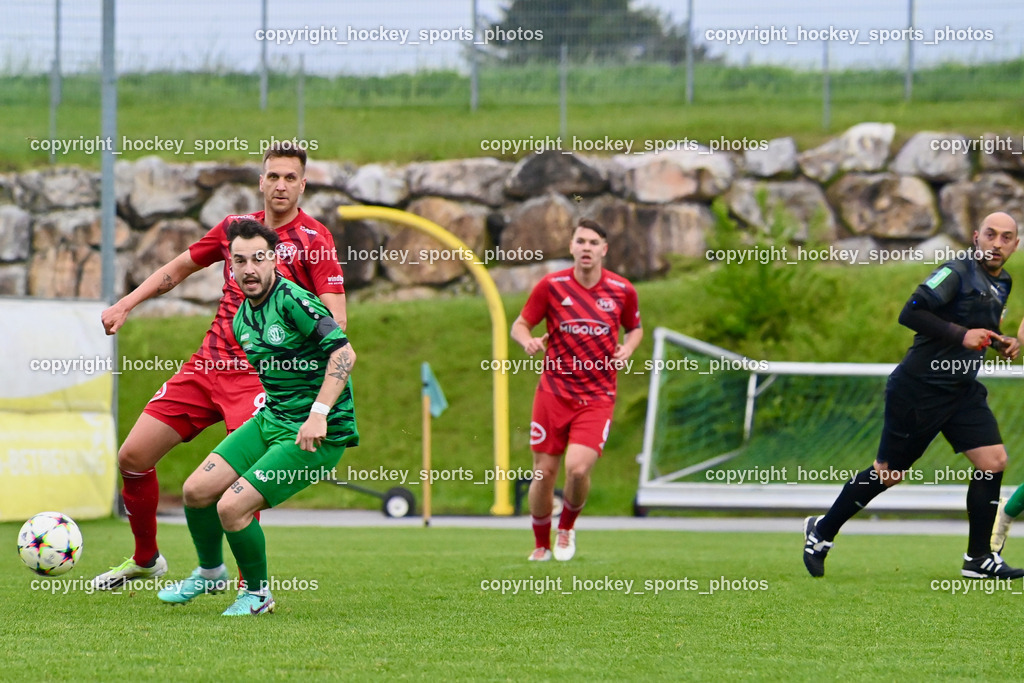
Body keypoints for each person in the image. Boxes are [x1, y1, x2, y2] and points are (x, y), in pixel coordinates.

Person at [92, 142, 347, 590]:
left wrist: (306, 382)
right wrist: (127, 303)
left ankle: (251, 587)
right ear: (261, 181)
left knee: (237, 489)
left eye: (291, 178)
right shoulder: (236, 229)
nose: (281, 185)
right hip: (206, 367)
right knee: (132, 456)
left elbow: (336, 321)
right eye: (274, 176)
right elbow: (180, 267)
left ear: (304, 185)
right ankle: (147, 559)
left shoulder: (314, 239)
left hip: (258, 377)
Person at [803, 211, 1023, 579]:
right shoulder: (956, 272)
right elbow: (911, 312)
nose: (997, 244)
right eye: (990, 235)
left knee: (993, 461)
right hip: (918, 390)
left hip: (961, 391)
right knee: (888, 475)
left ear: (1015, 245)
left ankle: (978, 558)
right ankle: (821, 531)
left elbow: (977, 327)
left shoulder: (1004, 284)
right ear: (975, 237)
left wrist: (1000, 343)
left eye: (1006, 238)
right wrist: (960, 336)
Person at [157, 219, 357, 615]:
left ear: (275, 260)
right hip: (272, 420)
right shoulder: (242, 318)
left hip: (317, 433)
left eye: (258, 259)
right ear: (230, 266)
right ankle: (211, 572)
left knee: (232, 508)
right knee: (196, 492)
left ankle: (259, 594)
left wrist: (318, 415)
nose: (249, 268)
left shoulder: (293, 301)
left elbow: (344, 354)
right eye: (240, 260)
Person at [510, 219, 642, 562]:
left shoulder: (622, 290)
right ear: (571, 247)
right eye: (580, 241)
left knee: (578, 469)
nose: (586, 247)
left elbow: (635, 328)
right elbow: (520, 324)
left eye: (593, 242)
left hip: (597, 397)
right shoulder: (552, 286)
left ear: (604, 250)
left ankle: (566, 526)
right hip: (553, 393)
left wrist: (628, 348)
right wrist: (528, 341)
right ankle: (541, 543)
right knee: (544, 473)